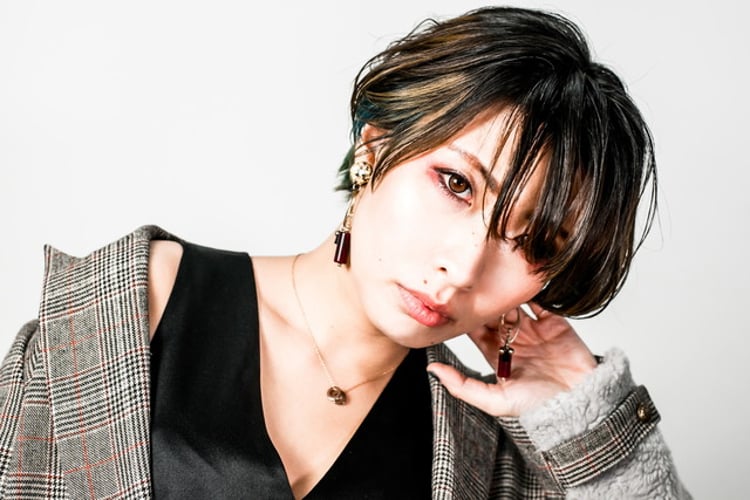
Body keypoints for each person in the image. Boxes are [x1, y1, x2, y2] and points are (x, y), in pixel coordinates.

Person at [0, 6, 689, 499]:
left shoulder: (492, 455)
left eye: (531, 242)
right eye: (456, 184)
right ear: (375, 149)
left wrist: (588, 413)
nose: (461, 268)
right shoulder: (133, 307)